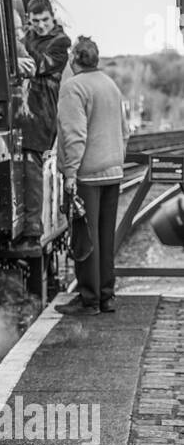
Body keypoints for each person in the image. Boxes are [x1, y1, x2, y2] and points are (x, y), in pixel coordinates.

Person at [55, 36, 129, 316]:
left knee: (85, 237)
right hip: (113, 172)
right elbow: (125, 130)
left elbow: (75, 136)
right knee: (105, 236)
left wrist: (70, 174)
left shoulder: (73, 88)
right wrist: (116, 160)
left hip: (87, 175)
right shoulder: (110, 85)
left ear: (74, 59)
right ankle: (106, 296)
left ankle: (89, 299)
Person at [12, 0, 71, 253]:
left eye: (44, 20)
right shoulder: (29, 37)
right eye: (35, 21)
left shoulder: (61, 43)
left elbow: (38, 66)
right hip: (23, 112)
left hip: (42, 114)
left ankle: (33, 231)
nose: (41, 26)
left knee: (32, 168)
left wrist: (17, 44)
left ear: (52, 17)